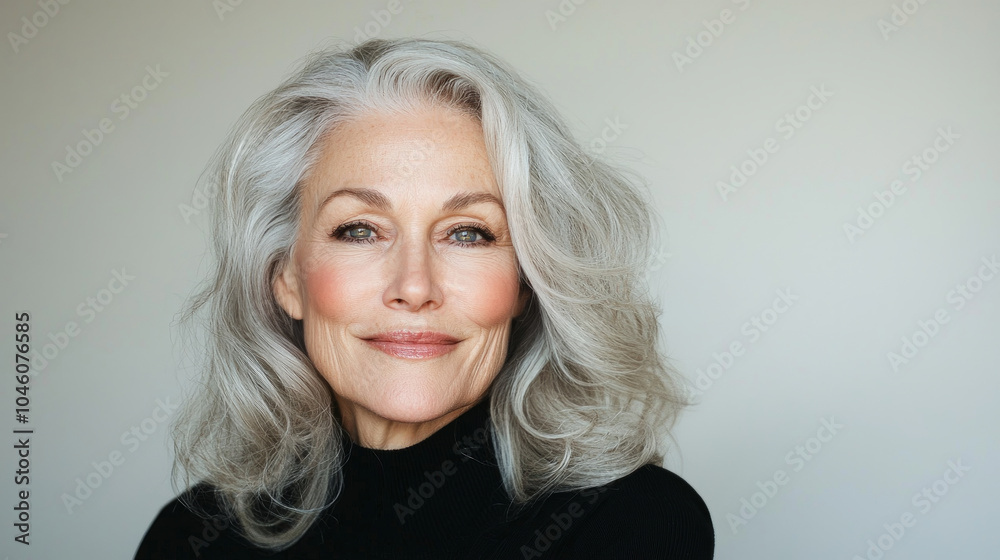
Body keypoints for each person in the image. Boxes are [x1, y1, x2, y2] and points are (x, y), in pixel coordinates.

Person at [134, 37, 714, 559]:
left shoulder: (631, 524)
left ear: (526, 282)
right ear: (285, 278)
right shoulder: (189, 538)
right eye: (359, 230)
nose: (414, 287)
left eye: (468, 233)